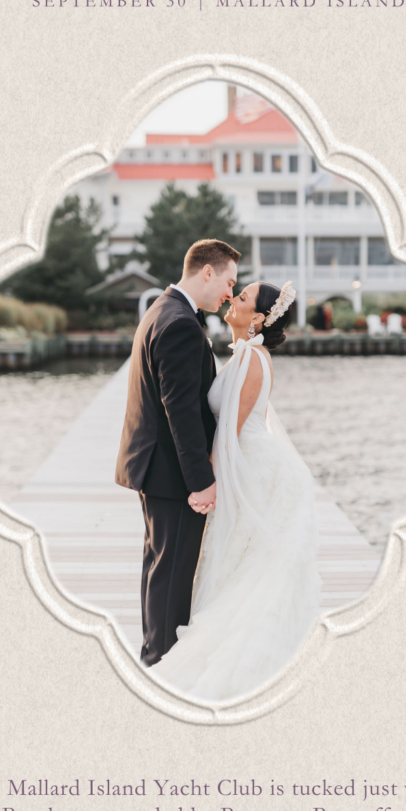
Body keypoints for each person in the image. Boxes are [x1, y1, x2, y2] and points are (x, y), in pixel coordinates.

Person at [150, 280, 322, 702]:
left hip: (254, 468)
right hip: (248, 459)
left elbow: (229, 431)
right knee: (241, 562)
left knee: (248, 564)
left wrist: (204, 484)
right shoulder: (245, 354)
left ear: (259, 319)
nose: (233, 299)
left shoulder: (250, 358)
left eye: (242, 298)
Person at [115, 239, 240, 667]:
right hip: (171, 473)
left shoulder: (161, 311)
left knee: (159, 566)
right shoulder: (181, 324)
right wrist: (201, 483)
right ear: (207, 271)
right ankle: (161, 665)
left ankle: (153, 654)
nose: (229, 293)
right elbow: (181, 411)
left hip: (153, 467)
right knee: (171, 574)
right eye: (228, 281)